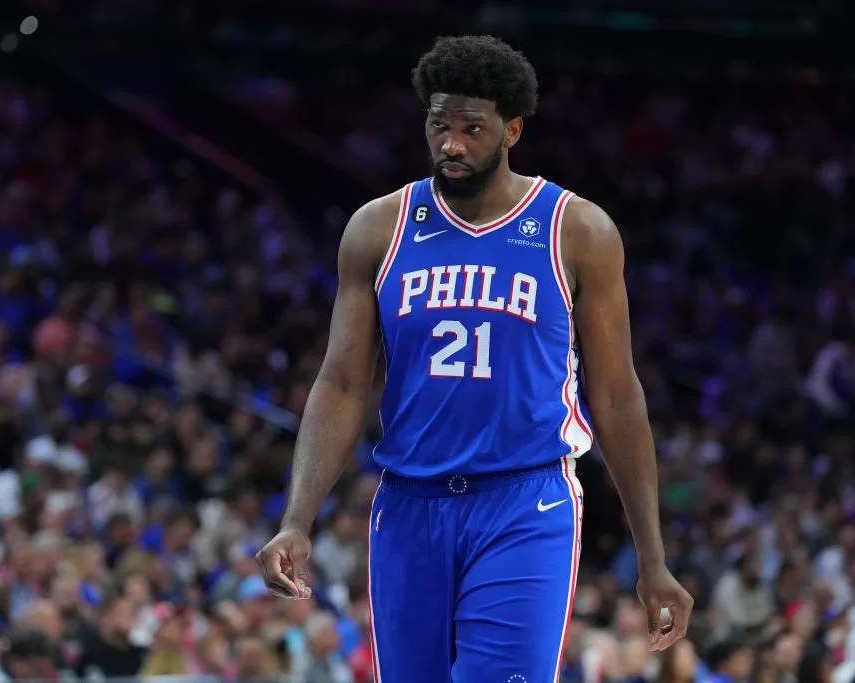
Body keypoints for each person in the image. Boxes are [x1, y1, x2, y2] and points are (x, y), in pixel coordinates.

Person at [256, 34, 693, 683]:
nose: (451, 144)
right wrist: (297, 518)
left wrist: (652, 556)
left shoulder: (577, 230)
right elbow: (344, 383)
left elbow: (618, 394)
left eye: (471, 128)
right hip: (409, 503)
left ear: (512, 128)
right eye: (439, 126)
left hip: (525, 501)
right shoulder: (379, 228)